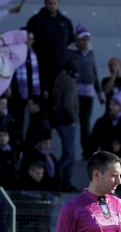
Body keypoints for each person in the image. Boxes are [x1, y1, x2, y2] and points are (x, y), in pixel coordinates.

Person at [85, 91, 121, 184]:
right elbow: (94, 141)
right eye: (110, 104)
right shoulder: (102, 122)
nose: (111, 107)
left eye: (114, 104)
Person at [65, 24, 102, 151]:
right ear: (77, 40)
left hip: (89, 92)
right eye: (83, 39)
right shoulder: (70, 53)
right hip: (76, 92)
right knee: (74, 121)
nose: (85, 42)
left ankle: (86, 151)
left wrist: (99, 92)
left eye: (87, 39)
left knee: (86, 123)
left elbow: (94, 71)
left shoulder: (90, 53)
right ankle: (71, 149)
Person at [25, 0, 73, 96]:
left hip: (60, 66)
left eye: (54, 3)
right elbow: (28, 41)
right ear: (45, 4)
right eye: (50, 3)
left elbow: (71, 42)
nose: (52, 6)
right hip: (42, 66)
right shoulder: (36, 20)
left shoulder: (65, 22)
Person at [52, 59, 78, 191]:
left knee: (70, 155)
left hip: (60, 121)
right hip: (68, 123)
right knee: (69, 155)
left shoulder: (59, 80)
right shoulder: (70, 83)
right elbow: (68, 104)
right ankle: (55, 177)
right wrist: (73, 118)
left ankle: (65, 183)